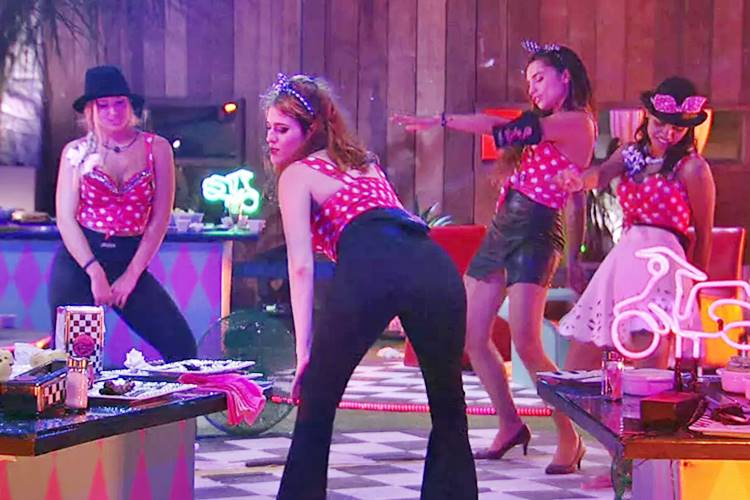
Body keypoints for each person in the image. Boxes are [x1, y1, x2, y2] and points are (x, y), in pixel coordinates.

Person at [264, 73, 477, 499]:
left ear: (311, 130)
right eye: (269, 128)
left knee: (317, 402)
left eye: (282, 129)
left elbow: (301, 267)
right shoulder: (365, 163)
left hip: (375, 264)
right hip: (432, 263)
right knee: (450, 406)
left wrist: (305, 352)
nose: (271, 138)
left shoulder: (298, 174)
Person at [394, 40, 596, 474]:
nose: (533, 88)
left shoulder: (576, 122)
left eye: (539, 78)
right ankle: (509, 424)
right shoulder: (545, 123)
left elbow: (500, 128)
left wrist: (443, 121)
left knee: (527, 343)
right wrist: (440, 120)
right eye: (529, 82)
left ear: (565, 77)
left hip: (537, 232)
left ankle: (570, 436)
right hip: (504, 228)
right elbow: (501, 127)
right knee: (472, 335)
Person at [556, 76, 715, 369]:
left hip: (663, 266)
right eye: (660, 124)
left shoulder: (693, 168)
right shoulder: (629, 154)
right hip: (624, 259)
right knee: (578, 365)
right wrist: (579, 180)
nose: (668, 133)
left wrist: (695, 291)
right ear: (647, 117)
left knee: (649, 365)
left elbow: (705, 235)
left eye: (678, 128)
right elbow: (600, 175)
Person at [49, 65, 197, 363]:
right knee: (74, 360)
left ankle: (167, 397)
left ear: (130, 106)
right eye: (103, 105)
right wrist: (94, 272)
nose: (113, 112)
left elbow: (159, 219)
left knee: (181, 347)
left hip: (129, 257)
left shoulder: (157, 148)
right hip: (81, 259)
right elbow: (65, 218)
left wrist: (131, 275)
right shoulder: (76, 151)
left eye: (119, 103)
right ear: (91, 110)